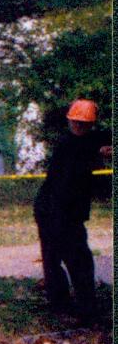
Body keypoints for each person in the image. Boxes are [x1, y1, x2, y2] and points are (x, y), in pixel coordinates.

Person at [33, 98, 111, 320]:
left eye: (82, 123)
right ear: (70, 122)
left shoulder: (88, 141)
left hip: (61, 210)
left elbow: (100, 141)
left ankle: (73, 306)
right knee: (67, 259)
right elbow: (72, 178)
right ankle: (73, 308)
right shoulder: (69, 147)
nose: (78, 126)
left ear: (89, 125)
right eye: (76, 122)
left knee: (69, 259)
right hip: (54, 210)